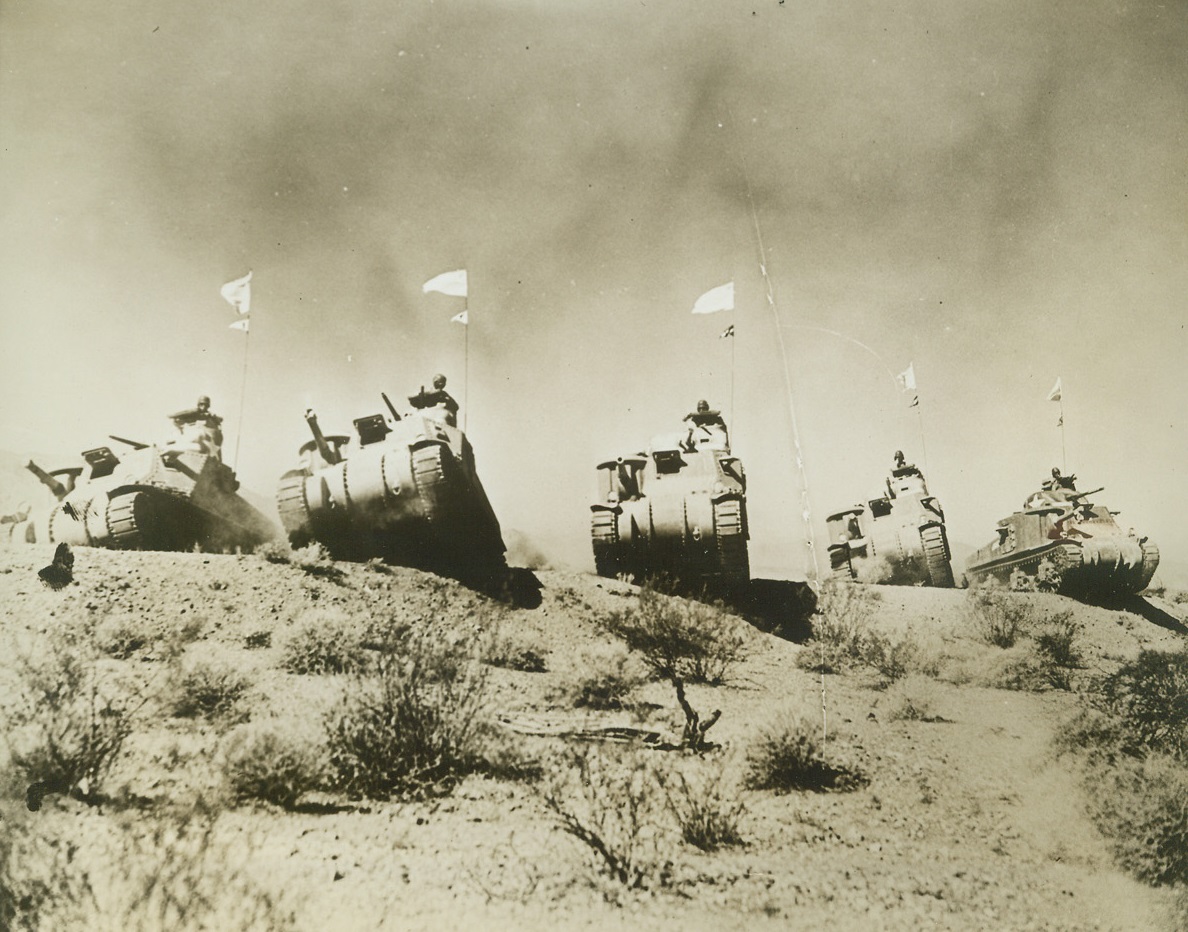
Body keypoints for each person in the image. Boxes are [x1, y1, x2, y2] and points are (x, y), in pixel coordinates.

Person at [169, 395, 224, 459]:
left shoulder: (210, 415)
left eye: (206, 405)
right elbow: (174, 417)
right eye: (201, 405)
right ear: (199, 405)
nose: (203, 407)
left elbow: (221, 419)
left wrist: (212, 416)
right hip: (189, 433)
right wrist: (195, 413)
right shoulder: (194, 412)